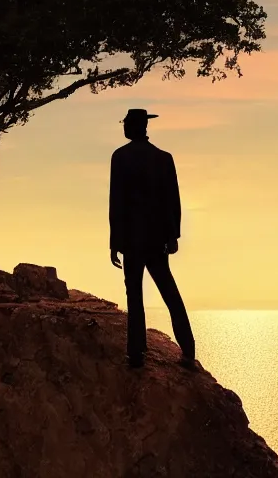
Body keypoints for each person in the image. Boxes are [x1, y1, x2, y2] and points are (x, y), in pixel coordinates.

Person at [109, 108, 197, 371]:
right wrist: (173, 235)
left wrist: (115, 242)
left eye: (126, 123)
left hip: (132, 241)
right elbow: (173, 201)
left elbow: (117, 203)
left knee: (134, 295)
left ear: (133, 127)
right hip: (157, 240)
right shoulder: (163, 158)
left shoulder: (120, 157)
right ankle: (188, 350)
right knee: (170, 294)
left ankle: (136, 353)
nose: (124, 127)